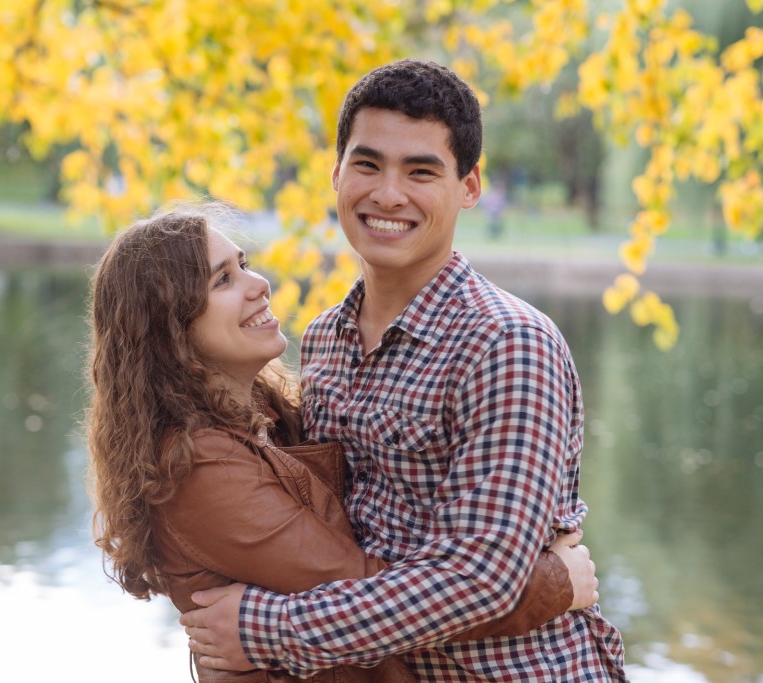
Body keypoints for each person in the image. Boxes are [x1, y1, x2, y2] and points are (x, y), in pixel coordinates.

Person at [180, 60, 627, 681]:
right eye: (368, 164)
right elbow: (322, 537)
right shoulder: (326, 338)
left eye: (421, 171)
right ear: (337, 173)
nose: (388, 194)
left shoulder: (508, 345)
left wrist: (264, 630)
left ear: (469, 187)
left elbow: (477, 578)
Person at [86, 203, 602, 682]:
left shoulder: (264, 417)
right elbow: (361, 582)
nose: (259, 284)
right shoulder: (199, 467)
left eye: (244, 264)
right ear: (170, 328)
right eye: (223, 280)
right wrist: (552, 583)